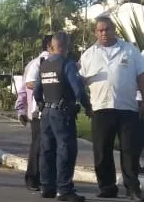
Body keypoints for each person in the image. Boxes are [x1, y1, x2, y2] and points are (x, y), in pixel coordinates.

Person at [79, 16, 144, 200]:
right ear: (95, 32)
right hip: (101, 108)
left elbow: (141, 77)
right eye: (100, 30)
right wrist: (86, 104)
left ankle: (133, 188)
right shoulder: (89, 55)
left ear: (113, 29)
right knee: (102, 150)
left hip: (128, 108)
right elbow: (80, 82)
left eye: (107, 29)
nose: (104, 33)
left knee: (130, 150)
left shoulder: (130, 51)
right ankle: (107, 187)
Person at [34, 31, 91, 202]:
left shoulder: (43, 64)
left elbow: (37, 90)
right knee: (65, 150)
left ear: (52, 45)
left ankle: (46, 186)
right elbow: (79, 90)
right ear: (67, 46)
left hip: (46, 112)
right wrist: (88, 106)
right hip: (62, 112)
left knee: (47, 149)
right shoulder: (67, 64)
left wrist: (40, 105)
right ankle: (64, 189)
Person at [15, 34, 52, 191]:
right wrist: (21, 109)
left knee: (50, 146)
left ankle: (46, 178)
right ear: (50, 45)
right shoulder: (38, 63)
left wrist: (21, 109)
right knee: (38, 145)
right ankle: (32, 177)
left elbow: (22, 91)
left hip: (52, 111)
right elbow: (27, 87)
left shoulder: (58, 62)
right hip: (39, 111)